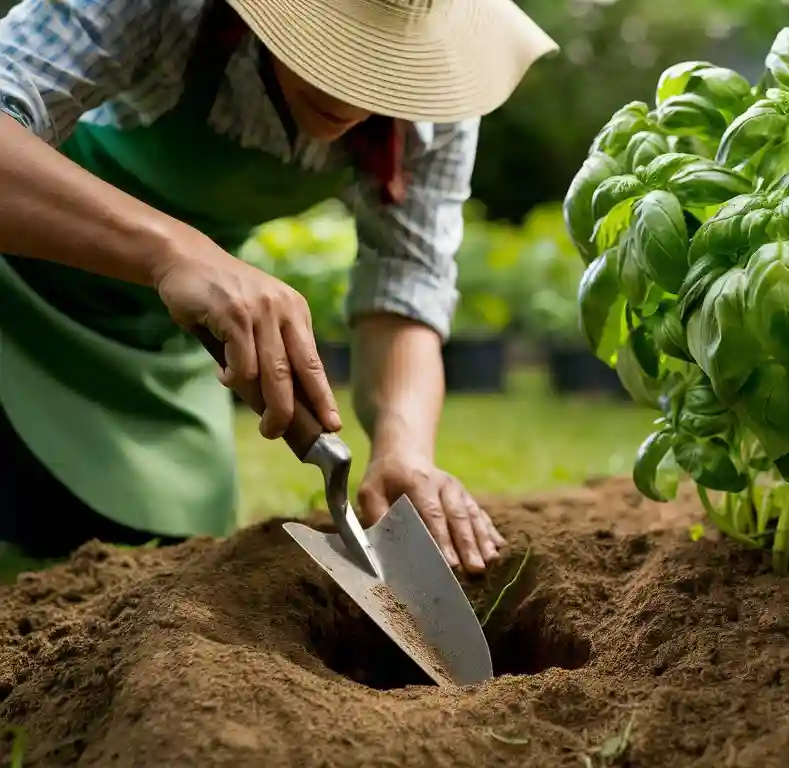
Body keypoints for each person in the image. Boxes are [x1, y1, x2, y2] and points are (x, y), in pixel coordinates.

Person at [0, 0, 557, 573]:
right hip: (11, 294)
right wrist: (173, 251)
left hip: (162, 349)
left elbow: (407, 281)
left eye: (390, 64)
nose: (356, 96)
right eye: (336, 46)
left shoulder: (437, 89)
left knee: (166, 587)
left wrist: (403, 444)